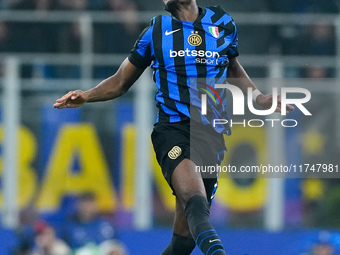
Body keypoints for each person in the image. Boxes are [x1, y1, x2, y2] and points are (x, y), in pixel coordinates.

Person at [54, 0, 294, 254]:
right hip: (173, 130)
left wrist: (259, 98)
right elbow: (120, 81)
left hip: (211, 137)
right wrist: (87, 95)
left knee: (186, 238)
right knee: (195, 199)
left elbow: (232, 65)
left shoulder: (223, 23)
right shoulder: (156, 31)